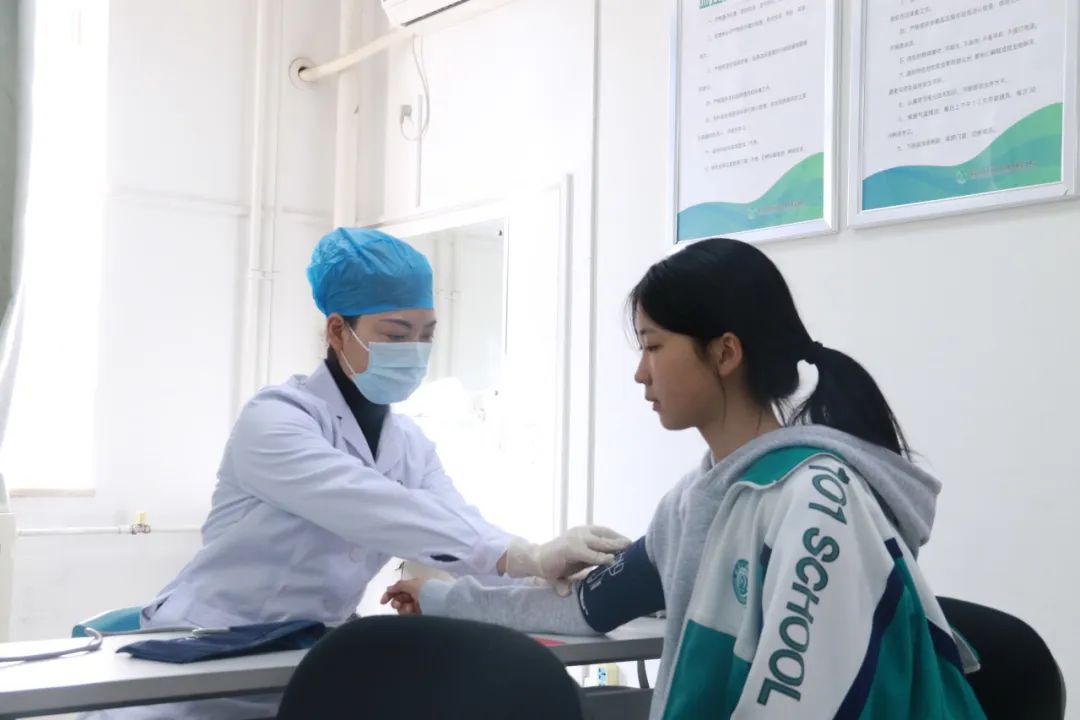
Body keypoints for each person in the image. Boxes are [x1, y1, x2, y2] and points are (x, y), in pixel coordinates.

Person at [383, 238, 987, 719]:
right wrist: (440, 597)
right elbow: (586, 608)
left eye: (653, 346)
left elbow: (810, 700)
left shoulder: (816, 499)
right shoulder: (696, 502)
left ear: (724, 353)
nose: (640, 374)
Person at [81, 227, 628, 720]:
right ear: (338, 330)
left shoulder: (407, 443)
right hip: (202, 657)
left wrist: (552, 578)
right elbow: (373, 508)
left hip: (307, 662)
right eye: (396, 334)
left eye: (427, 334)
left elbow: (458, 527)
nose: (415, 350)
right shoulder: (275, 421)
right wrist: (523, 554)